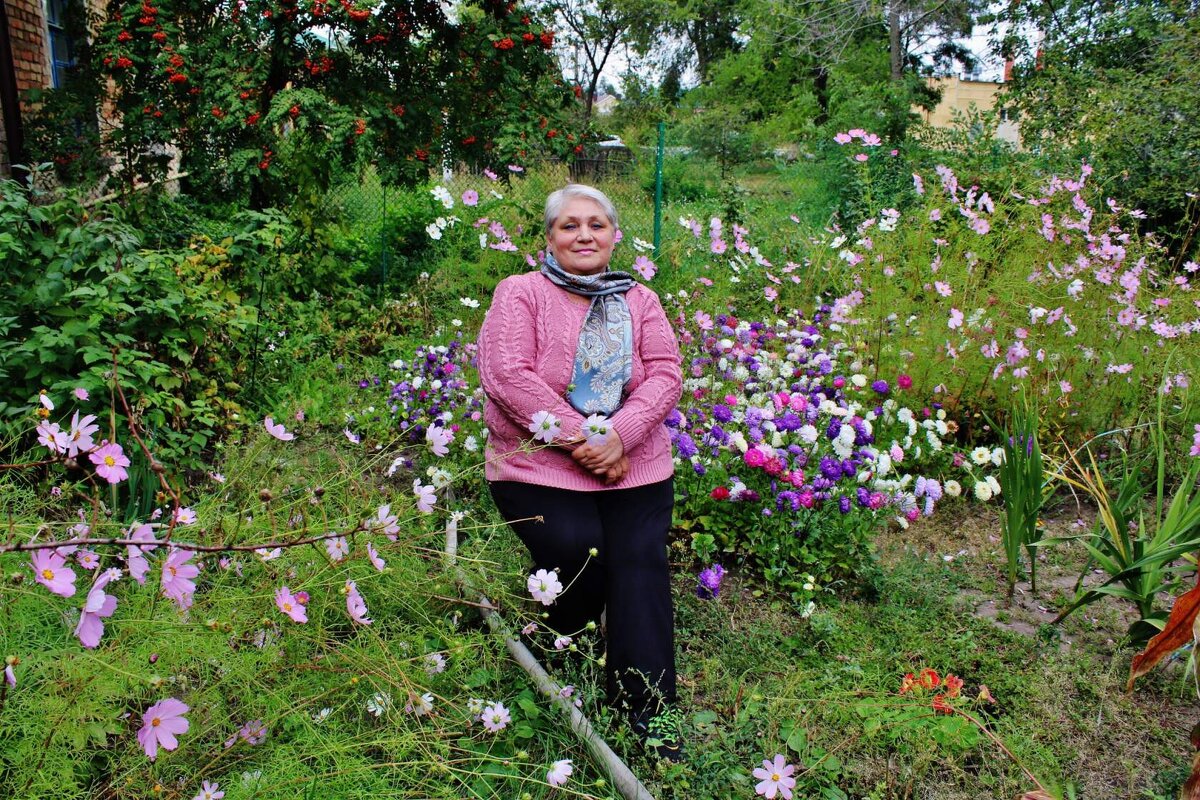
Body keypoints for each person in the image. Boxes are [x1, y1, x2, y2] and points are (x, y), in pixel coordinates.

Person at [477, 183, 684, 758]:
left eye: (597, 224)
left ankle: (651, 716)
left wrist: (623, 434)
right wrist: (586, 438)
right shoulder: (520, 293)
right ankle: (561, 632)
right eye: (569, 225)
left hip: (633, 462)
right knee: (578, 553)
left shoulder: (640, 300)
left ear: (616, 236)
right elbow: (508, 374)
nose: (584, 234)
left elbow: (666, 372)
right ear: (548, 237)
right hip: (539, 463)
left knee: (638, 566)